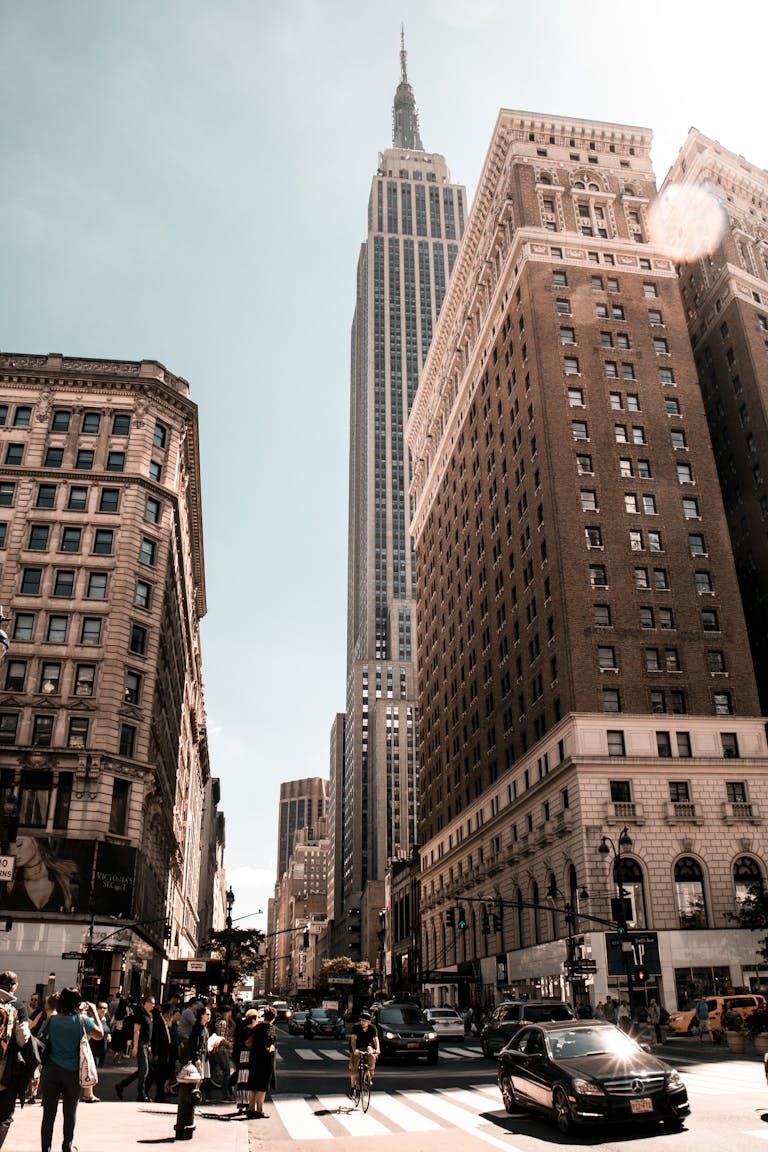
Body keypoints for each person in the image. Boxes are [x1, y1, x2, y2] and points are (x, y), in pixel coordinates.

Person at [38, 986, 102, 1152]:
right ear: (77, 1003)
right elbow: (100, 1034)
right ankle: (67, 1146)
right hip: (72, 1073)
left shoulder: (52, 1020)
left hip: (51, 1070)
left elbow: (40, 1037)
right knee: (70, 1113)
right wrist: (94, 1011)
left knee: (48, 1115)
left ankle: (46, 1149)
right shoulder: (82, 1020)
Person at [0, 970, 32, 1147]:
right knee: (4, 1116)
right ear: (14, 986)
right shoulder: (18, 1006)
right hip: (6, 1068)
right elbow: (22, 1038)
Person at [234, 1006, 276, 1119]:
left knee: (252, 1084)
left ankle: (251, 1108)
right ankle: (259, 1110)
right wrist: (270, 1048)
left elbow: (247, 1042)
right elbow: (269, 1044)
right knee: (262, 1086)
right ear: (273, 1018)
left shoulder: (257, 1027)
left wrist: (255, 1048)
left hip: (254, 1058)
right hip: (265, 1060)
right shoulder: (270, 1028)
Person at [115, 994, 155, 1101]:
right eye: (150, 1003)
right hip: (141, 1043)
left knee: (142, 1070)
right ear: (145, 1003)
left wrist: (150, 1045)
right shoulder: (140, 1013)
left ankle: (121, 1085)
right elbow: (136, 1030)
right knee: (145, 1069)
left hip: (146, 1044)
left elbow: (149, 1032)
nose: (152, 1005)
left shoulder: (150, 1015)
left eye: (153, 1003)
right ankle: (141, 1094)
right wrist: (135, 1046)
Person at [348, 1010, 379, 1097]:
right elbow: (353, 1040)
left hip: (367, 1046)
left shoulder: (372, 1028)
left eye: (365, 1021)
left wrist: (378, 1049)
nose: (363, 1022)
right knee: (353, 1067)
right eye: (361, 1020)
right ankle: (353, 1087)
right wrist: (354, 1050)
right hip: (356, 1047)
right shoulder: (356, 1027)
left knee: (372, 1056)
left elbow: (375, 1040)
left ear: (369, 1022)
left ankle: (368, 1077)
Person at [188, 1006, 212, 1100]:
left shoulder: (205, 1028)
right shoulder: (198, 1027)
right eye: (207, 1014)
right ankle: (194, 1095)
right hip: (199, 1055)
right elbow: (194, 1043)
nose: (209, 1016)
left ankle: (196, 1095)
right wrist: (196, 1057)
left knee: (201, 1078)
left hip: (205, 1055)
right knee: (198, 1077)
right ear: (202, 1015)